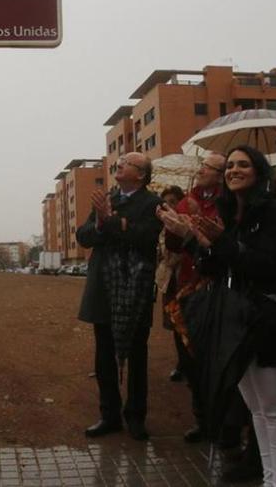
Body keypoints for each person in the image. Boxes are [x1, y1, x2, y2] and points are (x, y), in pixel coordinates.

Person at [161, 145, 276, 487]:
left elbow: (267, 266)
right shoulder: (229, 213)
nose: (234, 170)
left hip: (269, 320)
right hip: (238, 321)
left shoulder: (273, 213)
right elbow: (217, 265)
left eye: (242, 164)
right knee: (256, 410)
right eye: (230, 166)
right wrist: (191, 239)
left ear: (258, 172)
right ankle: (271, 479)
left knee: (275, 410)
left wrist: (221, 242)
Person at [77, 151, 163, 441]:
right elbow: (84, 235)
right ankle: (109, 415)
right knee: (103, 356)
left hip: (134, 288)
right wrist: (103, 223)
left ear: (140, 174)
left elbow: (145, 237)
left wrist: (111, 222)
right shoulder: (108, 198)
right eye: (121, 160)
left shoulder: (153, 203)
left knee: (137, 355)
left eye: (127, 162)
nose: (120, 164)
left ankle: (136, 416)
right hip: (104, 285)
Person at [159, 153, 227, 445]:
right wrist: (172, 227)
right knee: (193, 361)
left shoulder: (229, 203)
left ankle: (226, 424)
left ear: (220, 175)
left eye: (207, 167)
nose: (201, 170)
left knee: (220, 362)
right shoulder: (188, 201)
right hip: (189, 289)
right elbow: (176, 245)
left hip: (222, 290)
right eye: (202, 166)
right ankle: (202, 418)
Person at [155, 185, 187, 382]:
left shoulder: (185, 223)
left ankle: (190, 365)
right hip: (169, 281)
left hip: (185, 279)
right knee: (175, 325)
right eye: (165, 203)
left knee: (188, 324)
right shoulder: (161, 228)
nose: (169, 206)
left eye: (173, 202)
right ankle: (182, 363)